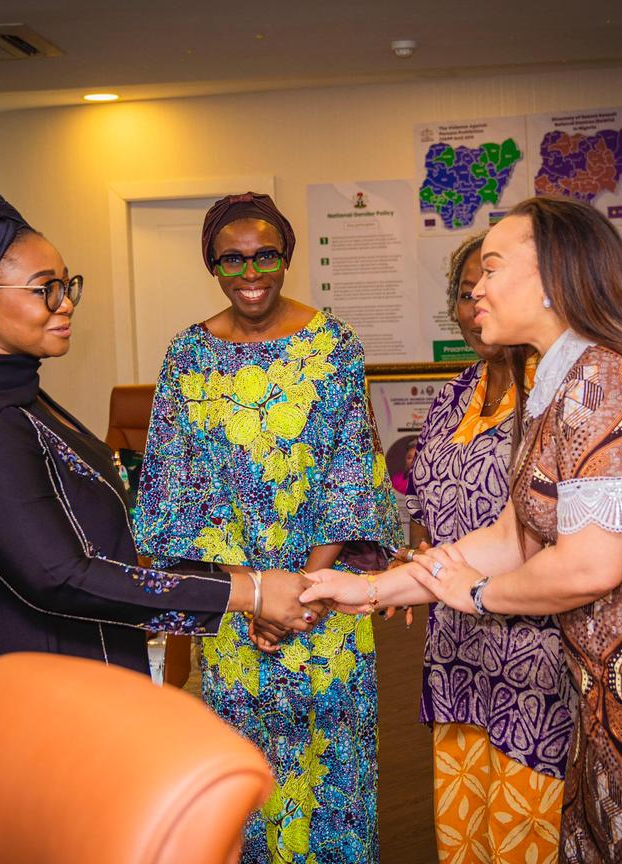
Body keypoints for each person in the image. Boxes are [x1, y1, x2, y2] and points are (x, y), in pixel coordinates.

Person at [302, 196, 622, 863]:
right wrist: (372, 590)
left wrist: (478, 595)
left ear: (553, 279)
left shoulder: (604, 379)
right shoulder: (560, 381)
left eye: (493, 268)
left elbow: (588, 566)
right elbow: (509, 538)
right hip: (611, 674)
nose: (477, 289)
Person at [0, 190, 319, 863]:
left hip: (23, 685)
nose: (65, 303)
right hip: (24, 710)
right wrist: (247, 591)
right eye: (44, 289)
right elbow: (59, 574)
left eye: (67, 284)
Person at [132, 192, 402, 863]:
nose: (250, 273)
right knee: (245, 780)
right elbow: (175, 489)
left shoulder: (333, 345)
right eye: (233, 259)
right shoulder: (188, 356)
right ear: (212, 265)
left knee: (332, 779)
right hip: (234, 610)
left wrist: (301, 593)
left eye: (265, 256)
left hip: (326, 603)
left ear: (286, 258)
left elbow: (349, 475)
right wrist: (254, 593)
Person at [396, 232, 570, 863]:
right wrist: (412, 565)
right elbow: (426, 506)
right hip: (456, 649)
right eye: (465, 293)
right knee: (465, 820)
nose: (476, 306)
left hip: (537, 647)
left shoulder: (558, 390)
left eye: (488, 287)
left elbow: (546, 531)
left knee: (528, 822)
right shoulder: (453, 396)